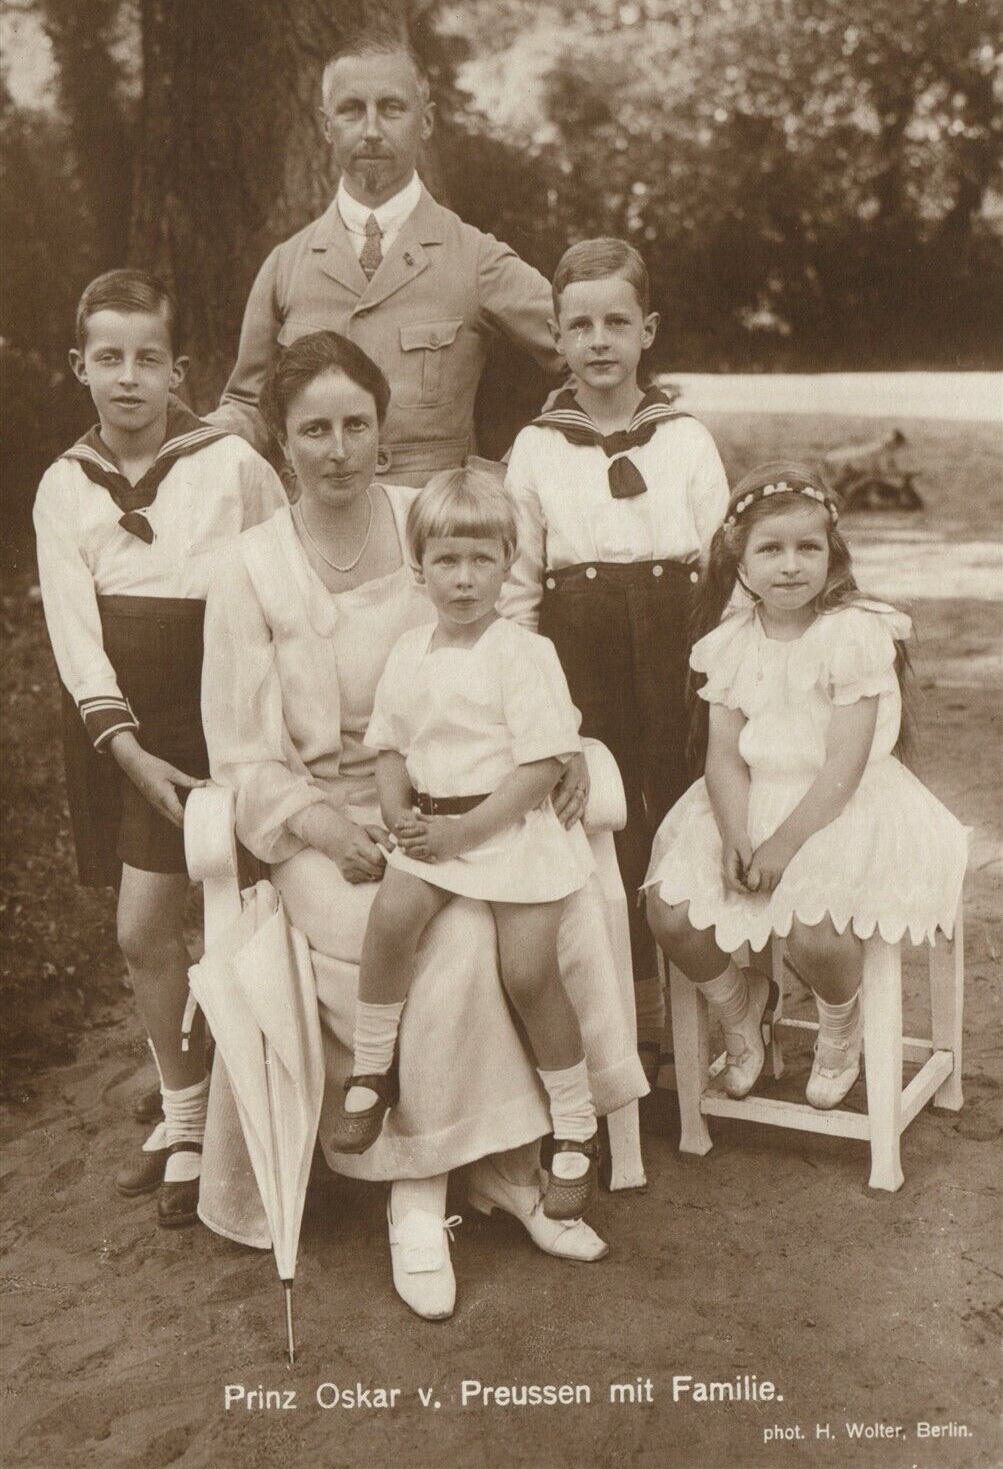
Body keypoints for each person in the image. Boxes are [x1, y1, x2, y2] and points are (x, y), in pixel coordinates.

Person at [199, 331, 647, 1320]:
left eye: (356, 424)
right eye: (314, 428)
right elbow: (238, 751)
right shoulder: (251, 568)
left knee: (507, 916)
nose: (338, 447)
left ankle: (492, 1164)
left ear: (382, 429)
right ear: (282, 441)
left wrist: (556, 745)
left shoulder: (431, 523)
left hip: (465, 799)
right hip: (324, 818)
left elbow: (502, 647)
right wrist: (318, 822)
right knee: (431, 935)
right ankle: (421, 1193)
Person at [32, 269, 286, 1228]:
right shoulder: (64, 486)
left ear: (179, 370)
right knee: (144, 927)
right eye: (109, 359)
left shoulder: (229, 464)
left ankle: (251, 1106)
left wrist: (265, 716)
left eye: (148, 358)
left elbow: (281, 570)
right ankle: (185, 1114)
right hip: (129, 731)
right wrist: (127, 750)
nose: (129, 377)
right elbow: (73, 634)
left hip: (227, 708)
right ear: (80, 368)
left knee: (246, 910)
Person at [644, 462, 968, 1108]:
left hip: (840, 806)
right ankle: (740, 1009)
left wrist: (781, 847)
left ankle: (838, 1024)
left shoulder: (852, 633)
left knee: (816, 924)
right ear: (738, 561)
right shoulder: (728, 644)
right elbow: (724, 759)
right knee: (669, 912)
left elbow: (841, 767)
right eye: (770, 549)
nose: (789, 565)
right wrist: (737, 835)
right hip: (749, 798)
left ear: (831, 554)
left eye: (806, 548)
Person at [333, 469, 601, 1222]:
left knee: (527, 971)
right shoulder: (408, 652)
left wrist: (465, 832)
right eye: (445, 561)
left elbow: (543, 763)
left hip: (506, 831)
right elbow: (388, 748)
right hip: (434, 830)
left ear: (509, 562)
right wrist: (398, 815)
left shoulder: (521, 652)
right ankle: (372, 1068)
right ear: (418, 569)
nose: (462, 579)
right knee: (391, 919)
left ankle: (575, 1123)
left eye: (481, 560)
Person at [502, 238, 730, 1086]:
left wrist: (726, 675)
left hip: (678, 638)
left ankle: (714, 1009)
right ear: (556, 338)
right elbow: (519, 586)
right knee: (605, 819)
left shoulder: (685, 439)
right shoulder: (536, 448)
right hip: (580, 643)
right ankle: (634, 1024)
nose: (598, 341)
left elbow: (724, 568)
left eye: (616, 323)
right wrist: (534, 704)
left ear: (648, 332)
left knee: (688, 808)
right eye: (579, 326)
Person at [208, 29, 558, 483]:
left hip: (432, 535)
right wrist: (192, 439)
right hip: (317, 529)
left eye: (392, 109)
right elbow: (247, 407)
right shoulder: (285, 265)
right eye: (352, 110)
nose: (372, 130)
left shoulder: (475, 257)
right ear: (326, 126)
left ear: (426, 122)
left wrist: (516, 468)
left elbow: (588, 360)